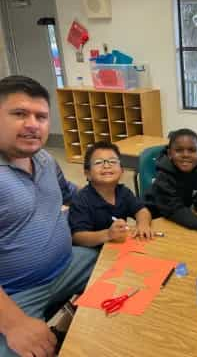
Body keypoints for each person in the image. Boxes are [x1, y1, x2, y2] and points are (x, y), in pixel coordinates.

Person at [0, 75, 98, 357]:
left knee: (127, 271)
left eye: (41, 116)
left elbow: (71, 194)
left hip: (70, 264)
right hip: (17, 294)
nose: (32, 124)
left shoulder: (44, 159)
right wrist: (14, 323)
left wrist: (113, 201)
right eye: (19, 114)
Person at [68, 141, 153, 246]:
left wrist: (143, 224)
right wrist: (108, 235)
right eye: (98, 162)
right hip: (93, 250)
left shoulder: (123, 192)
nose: (107, 165)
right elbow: (78, 237)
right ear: (88, 173)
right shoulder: (81, 200)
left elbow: (142, 210)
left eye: (113, 161)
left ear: (122, 171)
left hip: (116, 247)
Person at [144, 128, 197, 233]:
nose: (185, 155)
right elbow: (173, 210)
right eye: (179, 150)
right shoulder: (163, 177)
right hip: (155, 221)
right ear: (170, 154)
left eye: (192, 150)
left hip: (179, 219)